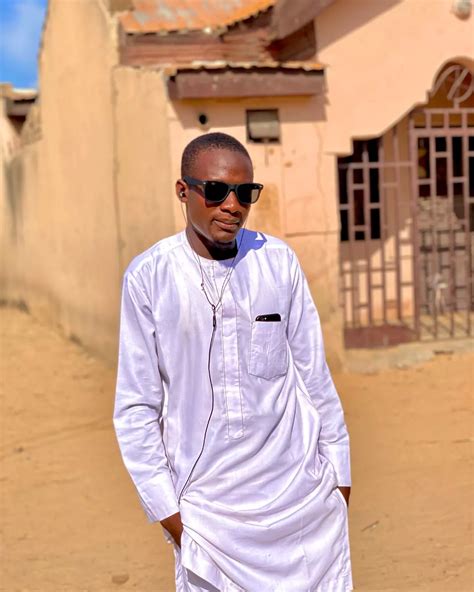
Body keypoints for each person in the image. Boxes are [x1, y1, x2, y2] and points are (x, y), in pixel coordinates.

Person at [113, 132, 352, 592]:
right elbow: (136, 407)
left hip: (299, 505)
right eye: (217, 190)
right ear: (183, 191)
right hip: (208, 517)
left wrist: (339, 478)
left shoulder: (277, 262)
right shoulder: (150, 277)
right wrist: (169, 514)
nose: (232, 206)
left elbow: (314, 380)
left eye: (245, 193)